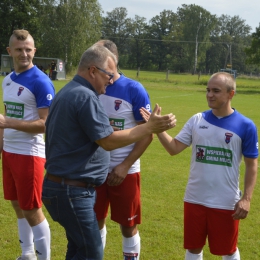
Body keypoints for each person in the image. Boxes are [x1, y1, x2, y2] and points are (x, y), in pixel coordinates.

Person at [42, 44, 176, 260]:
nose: (111, 80)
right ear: (93, 71)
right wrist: (149, 127)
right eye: (108, 75)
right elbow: (107, 141)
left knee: (78, 249)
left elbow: (88, 132)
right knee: (91, 253)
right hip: (72, 190)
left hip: (62, 186)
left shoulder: (69, 91)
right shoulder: (85, 96)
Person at [140, 72, 258, 260]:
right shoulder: (197, 120)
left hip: (226, 201)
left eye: (216, 91)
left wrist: (247, 198)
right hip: (195, 198)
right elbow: (174, 148)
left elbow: (252, 165)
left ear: (231, 94)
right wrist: (157, 128)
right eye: (208, 90)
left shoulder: (246, 125)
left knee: (227, 250)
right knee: (193, 248)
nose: (210, 94)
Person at [93, 40, 152, 260]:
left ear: (112, 60)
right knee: (95, 221)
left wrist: (124, 166)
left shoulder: (134, 89)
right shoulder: (90, 86)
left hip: (125, 171)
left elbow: (147, 134)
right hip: (94, 169)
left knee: (128, 226)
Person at [0, 29, 55, 260]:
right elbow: (5, 117)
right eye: (19, 49)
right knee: (16, 204)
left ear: (34, 51)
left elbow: (45, 124)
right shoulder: (7, 80)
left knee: (32, 210)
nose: (24, 54)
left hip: (29, 154)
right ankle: (27, 254)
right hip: (9, 152)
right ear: (9, 51)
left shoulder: (41, 82)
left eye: (28, 49)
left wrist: (8, 122)